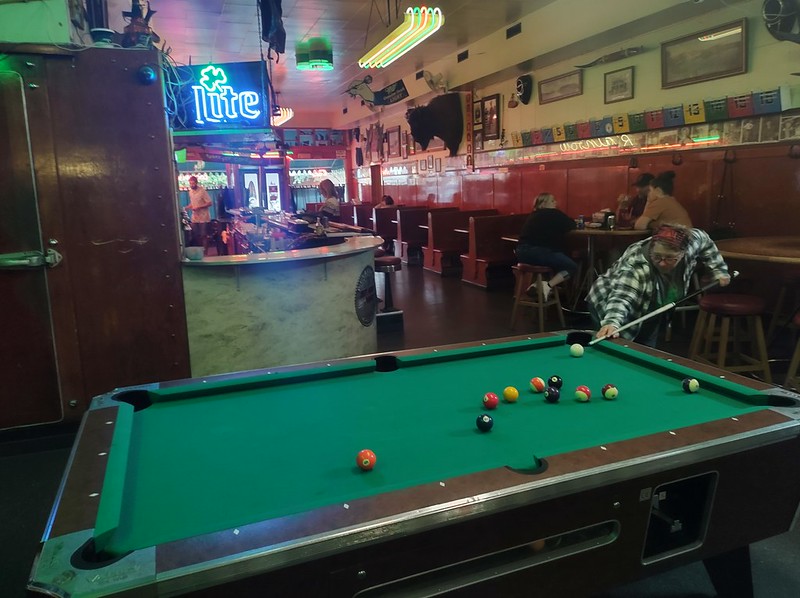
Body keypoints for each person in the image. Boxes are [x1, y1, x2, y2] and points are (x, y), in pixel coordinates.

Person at [587, 224, 730, 347]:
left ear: (683, 253)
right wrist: (612, 323)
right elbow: (622, 297)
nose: (662, 263)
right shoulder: (637, 267)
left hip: (651, 305)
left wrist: (719, 269)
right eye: (657, 256)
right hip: (607, 299)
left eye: (669, 258)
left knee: (646, 348)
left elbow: (704, 239)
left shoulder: (691, 244)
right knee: (621, 347)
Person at [515, 192, 577, 300]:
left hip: (521, 253)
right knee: (571, 266)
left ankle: (536, 286)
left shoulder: (533, 215)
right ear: (543, 204)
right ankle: (547, 285)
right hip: (539, 253)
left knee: (554, 259)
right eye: (552, 200)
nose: (555, 202)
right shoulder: (554, 213)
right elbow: (571, 224)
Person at [187, 175, 213, 248]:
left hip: (203, 217)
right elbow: (193, 203)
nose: (192, 185)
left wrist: (199, 207)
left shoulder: (202, 191)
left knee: (203, 235)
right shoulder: (190, 192)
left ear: (196, 183)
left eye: (193, 183)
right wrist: (186, 207)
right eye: (190, 183)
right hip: (195, 217)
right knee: (195, 234)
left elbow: (210, 203)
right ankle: (199, 250)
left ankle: (205, 250)